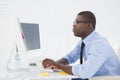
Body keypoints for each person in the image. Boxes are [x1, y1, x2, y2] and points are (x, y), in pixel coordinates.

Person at [42, 11, 120, 80]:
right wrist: (53, 64)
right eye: (74, 22)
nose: (73, 25)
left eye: (77, 22)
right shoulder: (85, 41)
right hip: (92, 76)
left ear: (89, 25)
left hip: (105, 78)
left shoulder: (99, 43)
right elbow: (70, 57)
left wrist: (58, 65)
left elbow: (85, 72)